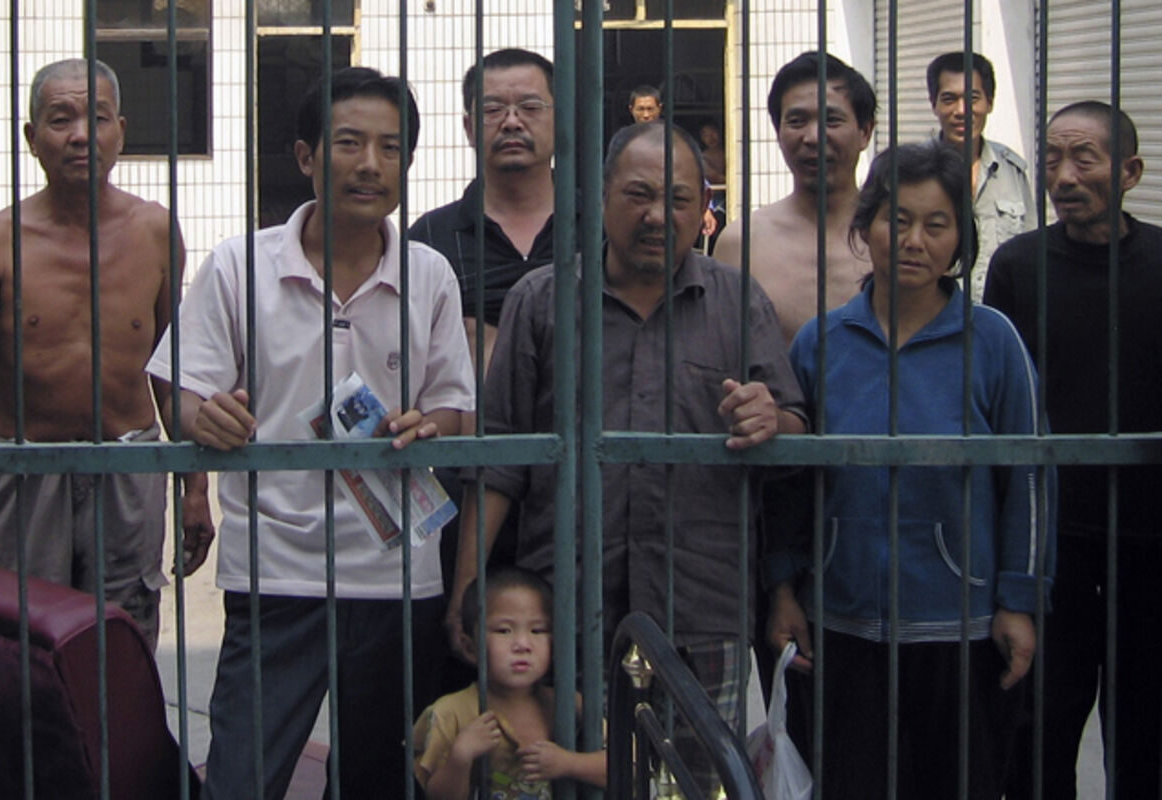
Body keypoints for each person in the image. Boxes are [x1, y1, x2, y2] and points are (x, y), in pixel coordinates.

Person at [450, 121, 807, 796]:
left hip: (701, 605)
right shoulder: (542, 301)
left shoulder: (738, 301)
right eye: (638, 194)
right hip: (567, 610)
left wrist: (771, 417)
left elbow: (792, 425)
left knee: (693, 783)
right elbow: (498, 460)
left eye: (677, 198)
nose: (656, 215)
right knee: (566, 781)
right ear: (600, 197)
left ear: (704, 206)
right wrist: (469, 594)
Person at [146, 67, 475, 799]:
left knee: (376, 781)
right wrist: (204, 417)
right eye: (350, 143)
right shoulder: (240, 266)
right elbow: (180, 387)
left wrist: (432, 423)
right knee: (243, 774)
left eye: (390, 148)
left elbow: (458, 407)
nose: (370, 164)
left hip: (397, 573)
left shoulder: (430, 274)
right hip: (275, 569)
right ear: (305, 156)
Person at [767, 140, 1053, 799]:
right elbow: (789, 482)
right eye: (896, 220)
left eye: (936, 224)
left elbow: (1030, 479)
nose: (914, 241)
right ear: (865, 227)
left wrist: (1020, 600)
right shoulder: (821, 342)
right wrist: (783, 587)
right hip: (841, 625)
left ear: (960, 241)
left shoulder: (994, 342)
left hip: (963, 627)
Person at [0, 58, 213, 649]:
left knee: (122, 642)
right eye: (60, 119)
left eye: (96, 118)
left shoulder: (154, 231)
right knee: (24, 645)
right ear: (32, 138)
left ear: (119, 131)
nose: (80, 135)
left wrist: (195, 486)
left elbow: (172, 370)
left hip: (128, 466)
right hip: (23, 469)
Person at [984, 102, 1161, 800]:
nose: (1063, 176)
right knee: (1040, 734)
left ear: (1130, 171)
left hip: (1150, 542)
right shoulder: (1019, 265)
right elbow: (998, 406)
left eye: (1084, 158)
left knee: (1145, 734)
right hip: (1050, 545)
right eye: (1053, 158)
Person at [410, 48, 559, 376]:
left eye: (530, 108)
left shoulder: (600, 228)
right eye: (492, 110)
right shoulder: (431, 238)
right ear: (469, 127)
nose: (512, 122)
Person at [714, 51, 876, 345]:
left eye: (832, 120)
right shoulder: (741, 243)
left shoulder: (896, 237)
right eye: (797, 121)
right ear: (778, 132)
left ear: (865, 132)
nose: (813, 137)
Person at [414, 566, 607, 799]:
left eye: (537, 630)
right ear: (470, 647)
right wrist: (460, 757)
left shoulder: (569, 704)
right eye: (504, 631)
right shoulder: (450, 713)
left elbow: (628, 767)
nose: (522, 644)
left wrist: (569, 763)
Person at [927, 52, 1036, 301]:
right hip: (935, 313)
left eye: (973, 99)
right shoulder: (913, 172)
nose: (961, 111)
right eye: (949, 99)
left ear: (989, 103)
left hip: (999, 312)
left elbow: (1030, 251)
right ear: (934, 104)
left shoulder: (1013, 171)